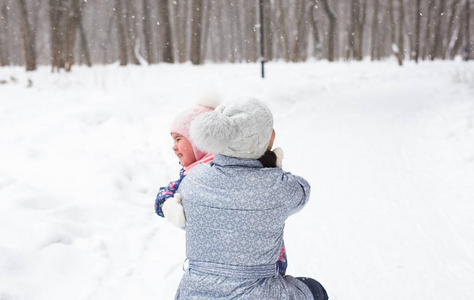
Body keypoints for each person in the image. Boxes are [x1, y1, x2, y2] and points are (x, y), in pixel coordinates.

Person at [174, 97, 328, 300]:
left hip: (193, 293)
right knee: (315, 289)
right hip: (259, 294)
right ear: (270, 139)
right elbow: (302, 192)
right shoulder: (277, 185)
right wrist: (272, 166)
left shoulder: (193, 180)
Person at [154, 98, 291, 276]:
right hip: (252, 261)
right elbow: (166, 192)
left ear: (198, 141)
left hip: (255, 262)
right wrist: (167, 205)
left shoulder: (218, 170)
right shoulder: (191, 176)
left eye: (179, 139)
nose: (174, 147)